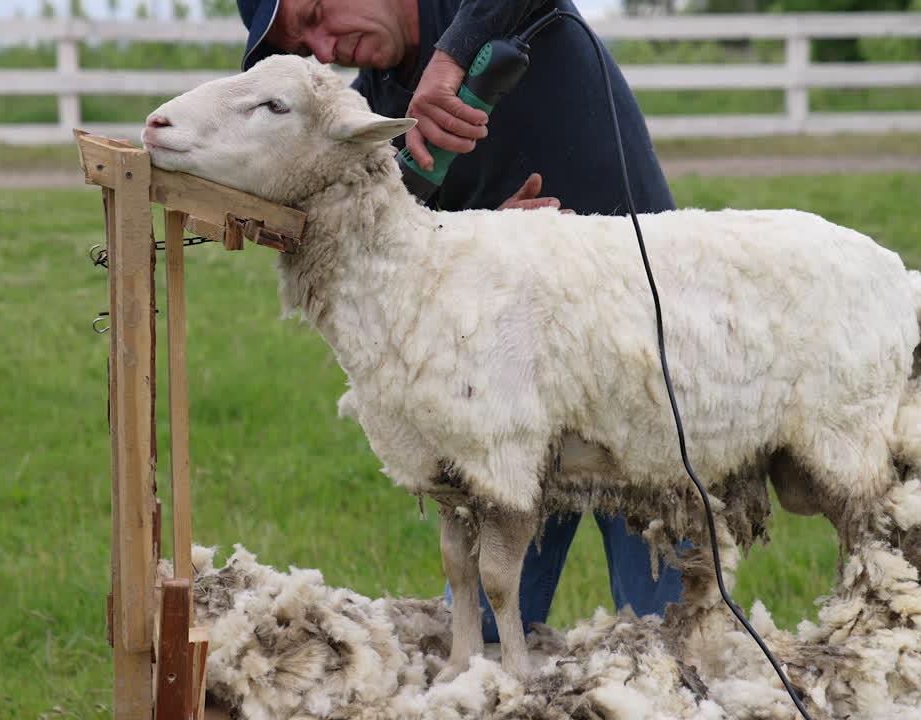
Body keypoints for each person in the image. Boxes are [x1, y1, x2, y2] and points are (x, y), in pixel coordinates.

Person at [235, 0, 686, 641]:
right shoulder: (375, 107)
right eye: (305, 45)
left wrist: (449, 59)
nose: (325, 48)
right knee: (476, 645)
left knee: (668, 642)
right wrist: (491, 239)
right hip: (505, 400)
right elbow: (410, 243)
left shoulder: (477, 12)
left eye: (313, 15)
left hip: (635, 365)